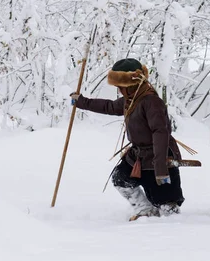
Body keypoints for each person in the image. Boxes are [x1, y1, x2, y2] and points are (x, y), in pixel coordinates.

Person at [70, 58, 185, 221]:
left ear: (131, 84)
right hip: (138, 156)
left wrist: (161, 168)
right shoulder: (131, 100)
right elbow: (108, 106)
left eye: (120, 87)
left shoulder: (151, 102)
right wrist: (82, 102)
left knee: (166, 203)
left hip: (158, 156)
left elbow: (161, 133)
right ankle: (145, 209)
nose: (118, 90)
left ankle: (173, 229)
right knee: (121, 178)